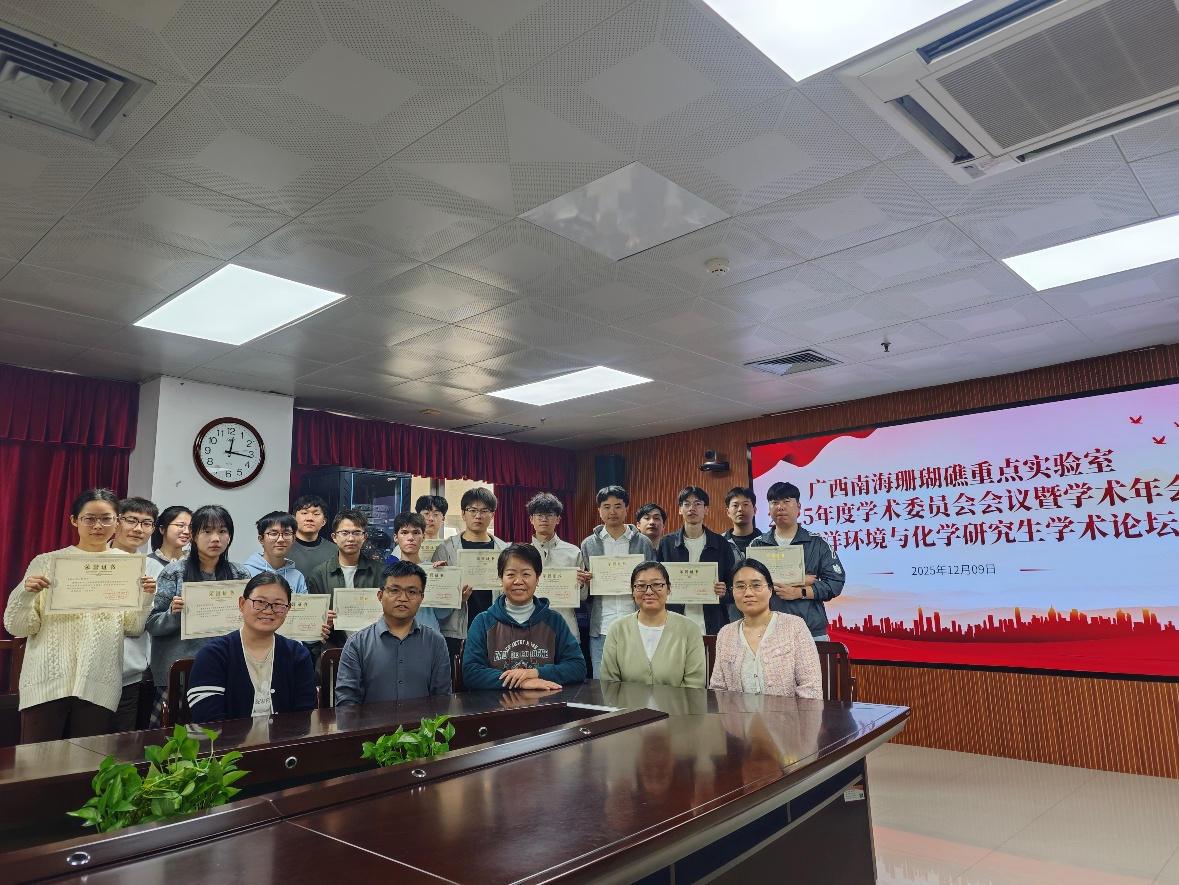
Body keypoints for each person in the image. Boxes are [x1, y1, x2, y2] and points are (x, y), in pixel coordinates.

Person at [4, 489, 156, 742]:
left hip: (99, 682)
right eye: (89, 518)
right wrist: (25, 593)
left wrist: (145, 598)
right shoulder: (47, 562)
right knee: (38, 759)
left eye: (106, 518)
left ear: (117, 521)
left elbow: (133, 628)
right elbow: (18, 627)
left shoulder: (127, 566)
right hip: (46, 680)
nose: (98, 526)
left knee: (89, 760)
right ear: (74, 520)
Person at [147, 505, 250, 724]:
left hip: (225, 668)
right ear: (193, 535)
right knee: (172, 739)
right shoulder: (174, 572)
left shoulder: (239, 574)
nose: (216, 538)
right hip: (180, 673)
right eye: (207, 531)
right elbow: (153, 624)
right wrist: (173, 614)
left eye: (222, 531)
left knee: (221, 735)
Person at [186, 573, 318, 722]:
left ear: (287, 609)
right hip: (226, 738)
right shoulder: (213, 655)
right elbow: (209, 722)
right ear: (242, 604)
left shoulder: (297, 654)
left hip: (286, 737)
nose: (268, 610)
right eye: (260, 602)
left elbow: (303, 716)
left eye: (278, 604)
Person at [462, 544, 585, 690]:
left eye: (526, 574)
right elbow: (472, 673)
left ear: (537, 579)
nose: (518, 581)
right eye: (511, 574)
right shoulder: (483, 622)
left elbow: (577, 667)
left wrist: (535, 673)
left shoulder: (554, 620)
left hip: (547, 702)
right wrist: (522, 682)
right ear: (501, 578)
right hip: (496, 703)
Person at [335, 561, 452, 705]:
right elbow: (347, 702)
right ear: (380, 595)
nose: (403, 598)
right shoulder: (356, 644)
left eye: (412, 592)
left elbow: (442, 699)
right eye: (395, 590)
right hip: (373, 721)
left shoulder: (436, 642)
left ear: (421, 598)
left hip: (422, 721)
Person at [748, 482, 845, 641]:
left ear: (798, 506)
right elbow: (750, 584)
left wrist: (799, 592)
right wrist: (801, 579)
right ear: (769, 509)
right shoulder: (757, 545)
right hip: (767, 631)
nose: (780, 507)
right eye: (774, 502)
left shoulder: (817, 543)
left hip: (810, 631)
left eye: (786, 501)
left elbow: (835, 583)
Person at [709, 560, 821, 698]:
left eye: (756, 585)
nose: (748, 593)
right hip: (737, 713)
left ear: (770, 590)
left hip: (788, 712)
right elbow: (718, 690)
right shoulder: (726, 634)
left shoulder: (794, 627)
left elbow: (811, 689)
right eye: (740, 586)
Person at [579, 486, 655, 679]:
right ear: (599, 510)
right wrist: (584, 582)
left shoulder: (643, 543)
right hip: (602, 628)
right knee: (602, 684)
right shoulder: (588, 544)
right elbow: (585, 594)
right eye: (607, 507)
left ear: (626, 509)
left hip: (638, 626)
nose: (612, 511)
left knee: (639, 682)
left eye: (618, 506)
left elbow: (653, 582)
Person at [601, 561, 706, 689]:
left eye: (657, 585)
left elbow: (694, 685)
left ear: (668, 589)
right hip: (628, 703)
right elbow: (609, 683)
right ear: (633, 591)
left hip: (676, 703)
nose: (649, 591)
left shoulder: (690, 629)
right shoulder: (617, 629)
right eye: (641, 586)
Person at [111, 496, 166, 733]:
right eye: (131, 520)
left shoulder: (154, 568)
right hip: (88, 672)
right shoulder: (95, 560)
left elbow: (153, 619)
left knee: (121, 741)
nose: (138, 529)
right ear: (116, 522)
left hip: (129, 673)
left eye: (146, 523)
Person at [432, 487, 507, 658]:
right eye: (472, 510)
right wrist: (454, 596)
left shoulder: (504, 550)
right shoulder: (446, 549)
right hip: (456, 631)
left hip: (496, 631)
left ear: (492, 515)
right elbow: (436, 594)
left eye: (484, 511)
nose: (478, 516)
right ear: (463, 514)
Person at [656, 486, 738, 637]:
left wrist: (724, 591)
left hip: (713, 622)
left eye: (697, 504)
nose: (692, 508)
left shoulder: (721, 544)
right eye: (686, 504)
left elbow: (734, 587)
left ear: (706, 509)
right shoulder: (666, 543)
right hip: (674, 622)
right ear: (680, 509)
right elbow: (657, 581)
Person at [307, 509, 380, 651]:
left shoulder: (380, 572)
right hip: (333, 649)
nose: (351, 538)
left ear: (364, 537)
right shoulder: (319, 574)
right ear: (334, 537)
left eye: (356, 533)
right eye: (344, 533)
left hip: (373, 648)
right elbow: (312, 623)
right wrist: (321, 621)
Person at [525, 492, 584, 638]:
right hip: (530, 626)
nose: (544, 519)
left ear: (558, 519)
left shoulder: (573, 552)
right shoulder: (522, 553)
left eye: (549, 515)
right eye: (539, 515)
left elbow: (583, 597)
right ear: (531, 519)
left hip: (566, 626)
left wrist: (582, 585)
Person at [384, 511, 441, 633]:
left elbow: (442, 613)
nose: (410, 538)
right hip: (394, 634)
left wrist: (453, 591)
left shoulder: (433, 570)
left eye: (416, 533)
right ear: (396, 537)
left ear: (423, 537)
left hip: (428, 634)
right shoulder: (387, 573)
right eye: (404, 532)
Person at [243, 511, 308, 595]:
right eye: (273, 534)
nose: (281, 539)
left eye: (286, 533)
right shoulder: (245, 572)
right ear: (261, 539)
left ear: (293, 538)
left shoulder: (298, 577)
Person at [287, 495, 338, 579]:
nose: (310, 518)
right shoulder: (283, 548)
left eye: (316, 514)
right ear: (294, 519)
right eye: (304, 513)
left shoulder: (335, 551)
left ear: (324, 521)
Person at [724, 487, 759, 555]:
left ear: (754, 510)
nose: (740, 509)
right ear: (728, 512)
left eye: (745, 505)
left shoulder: (766, 541)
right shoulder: (720, 542)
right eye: (735, 505)